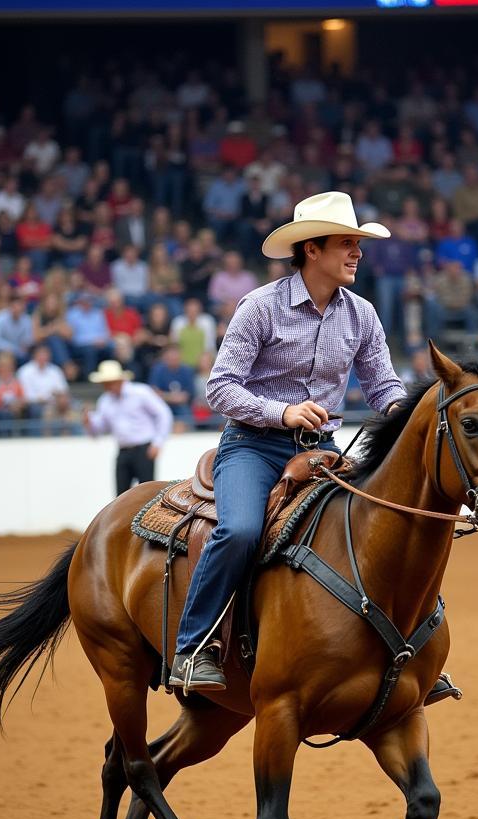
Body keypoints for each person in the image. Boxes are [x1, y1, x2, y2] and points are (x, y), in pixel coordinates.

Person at [170, 191, 406, 692]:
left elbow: (384, 387)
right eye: (347, 242)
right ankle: (193, 648)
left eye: (358, 244)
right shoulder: (260, 306)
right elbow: (220, 387)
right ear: (311, 249)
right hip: (253, 446)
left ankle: (399, 652)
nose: (357, 253)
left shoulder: (362, 314)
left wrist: (408, 416)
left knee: (376, 532)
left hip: (322, 452)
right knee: (239, 532)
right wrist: (282, 412)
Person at [85, 359, 173, 495]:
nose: (107, 387)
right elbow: (100, 428)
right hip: (123, 451)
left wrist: (157, 443)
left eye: (109, 383)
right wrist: (89, 422)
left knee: (147, 495)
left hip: (144, 449)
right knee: (120, 497)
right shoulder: (105, 400)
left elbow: (163, 414)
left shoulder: (140, 392)